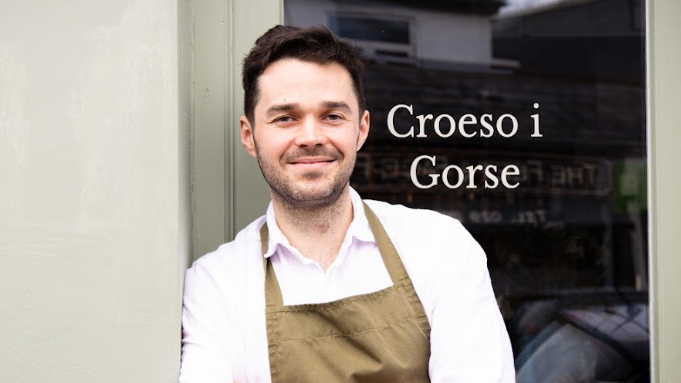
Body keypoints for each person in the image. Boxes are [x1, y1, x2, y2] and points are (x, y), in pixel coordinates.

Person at [180, 25, 515, 383]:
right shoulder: (216, 285)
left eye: (332, 116)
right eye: (285, 118)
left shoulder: (440, 246)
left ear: (361, 129)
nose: (310, 138)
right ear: (250, 136)